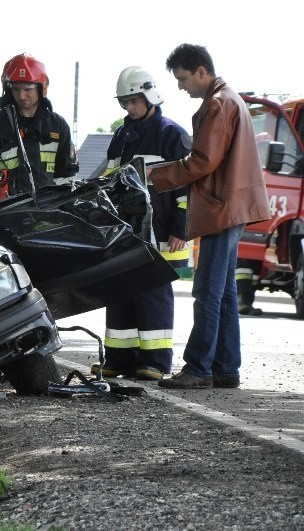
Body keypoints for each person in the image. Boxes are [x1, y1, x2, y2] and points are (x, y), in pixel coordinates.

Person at [147, 43, 271, 389]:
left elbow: (202, 162)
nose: (181, 86)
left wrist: (155, 176)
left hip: (221, 207)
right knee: (224, 291)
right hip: (231, 207)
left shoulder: (217, 104)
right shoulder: (230, 99)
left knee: (206, 291)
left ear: (202, 71)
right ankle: (226, 368)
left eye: (183, 79)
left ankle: (198, 368)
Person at [93, 66, 192, 381]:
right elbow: (110, 183)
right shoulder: (121, 136)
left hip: (162, 232)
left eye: (134, 100)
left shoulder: (171, 134)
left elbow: (186, 188)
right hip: (125, 232)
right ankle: (120, 359)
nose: (129, 108)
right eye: (124, 102)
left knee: (153, 295)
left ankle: (155, 362)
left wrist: (181, 227)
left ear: (149, 95)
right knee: (120, 291)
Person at [0, 52, 79, 205]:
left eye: (27, 89)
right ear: (8, 89)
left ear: (41, 87)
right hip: (0, 216)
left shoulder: (58, 127)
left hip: (47, 216)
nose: (22, 96)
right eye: (16, 89)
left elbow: (67, 176)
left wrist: (62, 208)